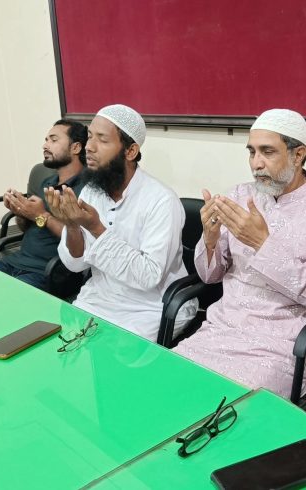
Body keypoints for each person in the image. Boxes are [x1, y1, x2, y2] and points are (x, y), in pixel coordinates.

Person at [174, 108, 306, 398]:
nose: (256, 164)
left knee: (223, 412)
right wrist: (210, 239)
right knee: (166, 386)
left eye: (267, 152)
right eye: (252, 152)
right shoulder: (238, 196)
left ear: (298, 155)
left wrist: (262, 243)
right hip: (220, 332)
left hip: (280, 348)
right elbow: (210, 276)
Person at [45, 104, 195, 340]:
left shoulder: (161, 201)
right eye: (90, 136)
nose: (89, 147)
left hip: (150, 307)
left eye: (102, 139)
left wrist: (96, 228)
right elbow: (75, 265)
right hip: (100, 298)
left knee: (116, 354)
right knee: (66, 345)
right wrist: (71, 224)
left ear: (130, 151)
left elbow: (149, 276)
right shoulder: (91, 192)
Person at [0, 119, 87, 291]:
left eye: (53, 140)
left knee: (3, 299)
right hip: (17, 261)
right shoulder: (47, 182)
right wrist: (21, 212)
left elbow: (83, 242)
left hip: (49, 272)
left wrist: (42, 215)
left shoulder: (87, 189)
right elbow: (30, 226)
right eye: (46, 140)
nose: (45, 145)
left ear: (75, 148)